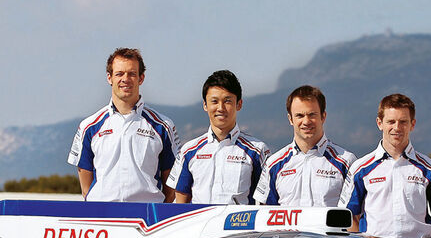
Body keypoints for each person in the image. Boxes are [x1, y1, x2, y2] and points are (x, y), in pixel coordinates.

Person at [339, 94, 431, 238]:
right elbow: (347, 216)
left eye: (403, 122)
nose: (397, 128)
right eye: (391, 122)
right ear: (380, 123)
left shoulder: (430, 168)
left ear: (412, 124)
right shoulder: (360, 168)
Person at [68, 48, 180, 202]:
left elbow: (171, 186)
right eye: (119, 74)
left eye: (132, 74)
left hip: (148, 218)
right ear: (109, 78)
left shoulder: (163, 126)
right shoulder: (89, 126)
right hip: (102, 217)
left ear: (141, 78)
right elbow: (86, 187)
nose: (125, 79)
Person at [167, 70, 269, 204]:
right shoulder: (189, 150)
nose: (220, 108)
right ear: (205, 105)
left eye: (227, 101)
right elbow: (180, 200)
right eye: (214, 101)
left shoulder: (257, 150)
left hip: (238, 224)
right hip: (198, 224)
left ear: (239, 104)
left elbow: (265, 202)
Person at [254, 86, 356, 206]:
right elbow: (264, 211)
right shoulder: (273, 164)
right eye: (300, 116)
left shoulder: (346, 162)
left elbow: (355, 215)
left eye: (312, 114)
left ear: (323, 116)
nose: (306, 121)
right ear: (290, 119)